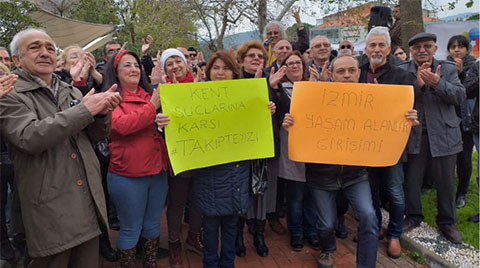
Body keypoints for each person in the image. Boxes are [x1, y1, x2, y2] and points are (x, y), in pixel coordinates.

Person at [0, 27, 121, 267]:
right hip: (50, 209)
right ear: (16, 60)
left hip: (87, 202)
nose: (45, 52)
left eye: (49, 48)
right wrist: (85, 110)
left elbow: (96, 136)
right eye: (34, 47)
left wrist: (101, 114)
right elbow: (29, 137)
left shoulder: (70, 89)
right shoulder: (9, 95)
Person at [283, 55, 418, 268]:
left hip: (356, 176)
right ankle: (327, 250)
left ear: (359, 73)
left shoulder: (372, 100)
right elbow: (301, 124)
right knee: (327, 225)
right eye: (341, 71)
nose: (347, 75)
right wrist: (291, 122)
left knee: (368, 217)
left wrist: (404, 120)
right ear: (332, 74)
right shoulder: (314, 98)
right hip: (321, 177)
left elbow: (387, 125)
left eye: (351, 70)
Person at [156, 51, 258, 268]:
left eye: (226, 68)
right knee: (209, 225)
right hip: (208, 173)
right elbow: (181, 129)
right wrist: (164, 123)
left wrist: (265, 109)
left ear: (234, 72)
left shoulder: (244, 95)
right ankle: (209, 262)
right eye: (216, 68)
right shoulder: (197, 95)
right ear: (208, 72)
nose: (220, 73)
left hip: (235, 171)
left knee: (231, 224)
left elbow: (254, 125)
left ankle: (227, 262)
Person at [101, 50, 168, 268]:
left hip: (157, 172)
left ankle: (150, 264)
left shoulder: (150, 94)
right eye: (127, 66)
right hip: (127, 175)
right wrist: (152, 108)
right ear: (116, 72)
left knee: (152, 225)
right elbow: (121, 126)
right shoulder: (112, 97)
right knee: (131, 227)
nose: (134, 69)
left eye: (136, 65)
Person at [398, 32, 466, 244]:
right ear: (411, 51)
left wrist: (438, 84)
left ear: (435, 49)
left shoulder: (447, 69)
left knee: (445, 182)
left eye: (427, 46)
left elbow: (460, 96)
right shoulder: (402, 71)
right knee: (412, 181)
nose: (422, 50)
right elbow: (397, 102)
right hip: (414, 136)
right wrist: (417, 86)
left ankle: (447, 223)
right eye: (417, 47)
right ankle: (413, 216)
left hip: (444, 135)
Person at [359, 27, 415, 259]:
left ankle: (394, 234)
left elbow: (410, 109)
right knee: (370, 189)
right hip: (364, 145)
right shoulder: (359, 72)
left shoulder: (401, 75)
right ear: (366, 49)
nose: (377, 49)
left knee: (394, 192)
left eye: (382, 45)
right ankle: (376, 228)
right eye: (372, 45)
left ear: (389, 49)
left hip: (392, 145)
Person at [234, 41, 284, 258]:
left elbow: (285, 111)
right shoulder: (233, 83)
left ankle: (259, 235)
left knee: (262, 192)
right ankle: (238, 235)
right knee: (242, 190)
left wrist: (274, 91)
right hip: (241, 149)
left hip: (264, 146)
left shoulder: (271, 80)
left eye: (260, 57)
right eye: (251, 56)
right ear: (242, 60)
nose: (256, 59)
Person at [269, 51, 320, 251]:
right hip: (291, 149)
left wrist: (317, 89)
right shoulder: (278, 90)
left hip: (315, 148)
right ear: (284, 69)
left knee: (311, 195)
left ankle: (312, 231)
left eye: (298, 62)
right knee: (295, 196)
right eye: (290, 64)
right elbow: (275, 115)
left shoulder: (315, 87)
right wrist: (275, 88)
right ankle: (297, 233)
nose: (295, 66)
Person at [159, 48, 203, 268]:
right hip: (178, 157)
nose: (175, 66)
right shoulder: (161, 91)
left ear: (187, 63)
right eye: (170, 63)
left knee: (198, 200)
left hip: (203, 155)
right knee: (177, 203)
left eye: (178, 61)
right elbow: (155, 125)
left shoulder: (201, 87)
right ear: (164, 69)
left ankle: (193, 236)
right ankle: (174, 241)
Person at [446, 35, 477, 208]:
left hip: (466, 118)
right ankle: (446, 189)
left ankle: (462, 192)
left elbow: (468, 90)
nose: (456, 50)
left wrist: (461, 73)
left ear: (467, 49)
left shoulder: (473, 65)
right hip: (449, 118)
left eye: (460, 46)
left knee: (464, 157)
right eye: (453, 47)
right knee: (449, 157)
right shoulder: (443, 65)